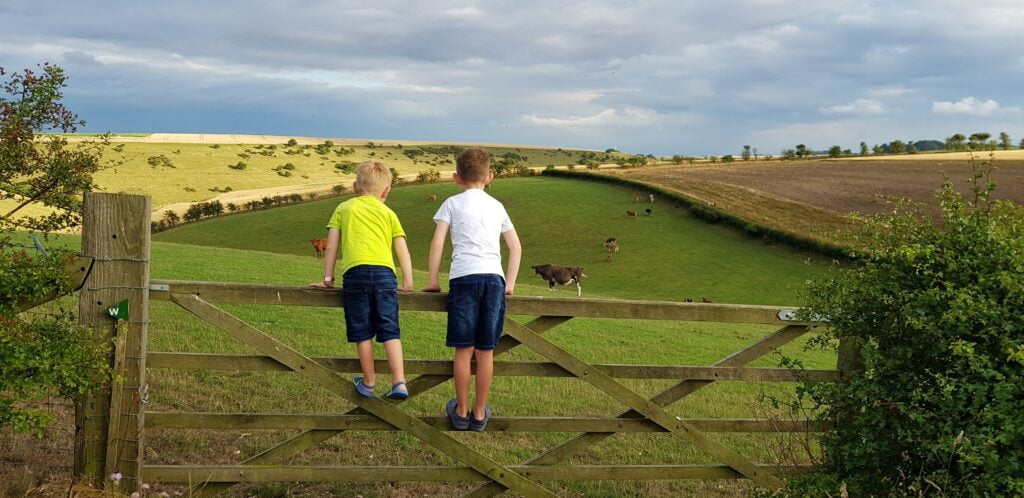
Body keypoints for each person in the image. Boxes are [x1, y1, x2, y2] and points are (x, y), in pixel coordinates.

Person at [423, 148, 522, 431]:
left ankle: (462, 409)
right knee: (486, 351)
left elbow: (438, 243)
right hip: (493, 280)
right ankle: (480, 414)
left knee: (464, 350)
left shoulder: (451, 204)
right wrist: (510, 284)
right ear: (490, 177)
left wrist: (433, 280)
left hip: (463, 278)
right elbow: (515, 247)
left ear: (457, 177)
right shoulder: (497, 206)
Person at [310, 161, 413, 400]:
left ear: (355, 186)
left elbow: (332, 246)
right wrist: (407, 282)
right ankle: (399, 381)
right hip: (386, 275)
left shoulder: (343, 208)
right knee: (390, 328)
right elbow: (402, 250)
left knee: (362, 331)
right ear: (386, 191)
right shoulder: (389, 213)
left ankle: (369, 382)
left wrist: (327, 279)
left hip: (355, 275)